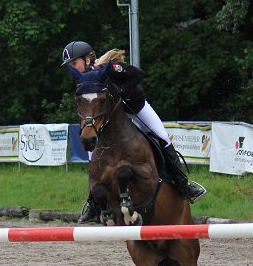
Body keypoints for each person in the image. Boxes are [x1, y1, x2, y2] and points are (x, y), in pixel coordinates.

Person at [61, 40, 206, 223]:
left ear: (87, 59)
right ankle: (93, 203)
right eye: (70, 65)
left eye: (74, 63)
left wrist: (122, 92)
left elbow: (138, 74)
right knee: (92, 154)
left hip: (136, 108)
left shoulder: (109, 68)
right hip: (111, 117)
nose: (72, 68)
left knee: (163, 138)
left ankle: (183, 184)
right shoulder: (82, 80)